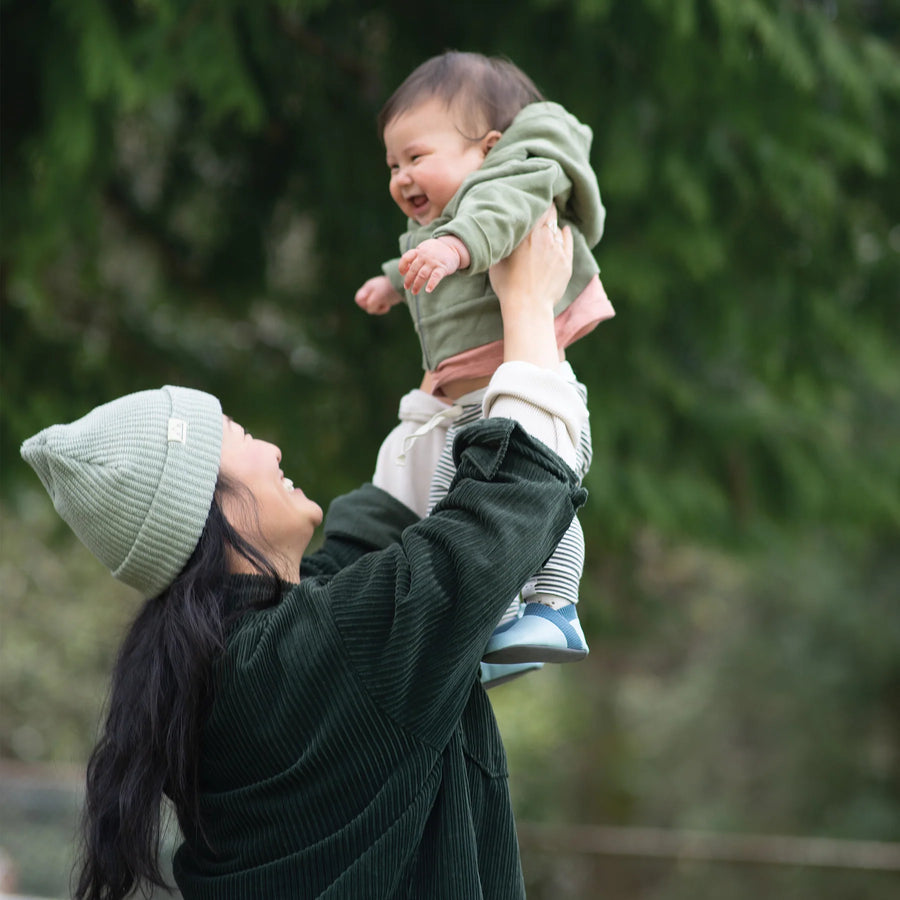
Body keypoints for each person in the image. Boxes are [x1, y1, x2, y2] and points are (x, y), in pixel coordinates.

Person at [21, 210, 588, 899]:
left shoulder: (250, 655)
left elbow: (381, 527)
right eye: (241, 436)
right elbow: (506, 507)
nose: (272, 449)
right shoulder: (309, 654)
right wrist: (527, 305)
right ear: (208, 505)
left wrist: (453, 384)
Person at [356, 51, 614, 666]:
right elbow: (435, 243)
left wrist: (452, 249)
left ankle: (556, 609)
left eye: (416, 157)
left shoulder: (511, 183)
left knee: (543, 497)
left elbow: (490, 220)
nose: (400, 177)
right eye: (392, 164)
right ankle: (491, 622)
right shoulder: (446, 225)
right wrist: (396, 281)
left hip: (535, 393)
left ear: (488, 149)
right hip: (465, 411)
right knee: (459, 516)